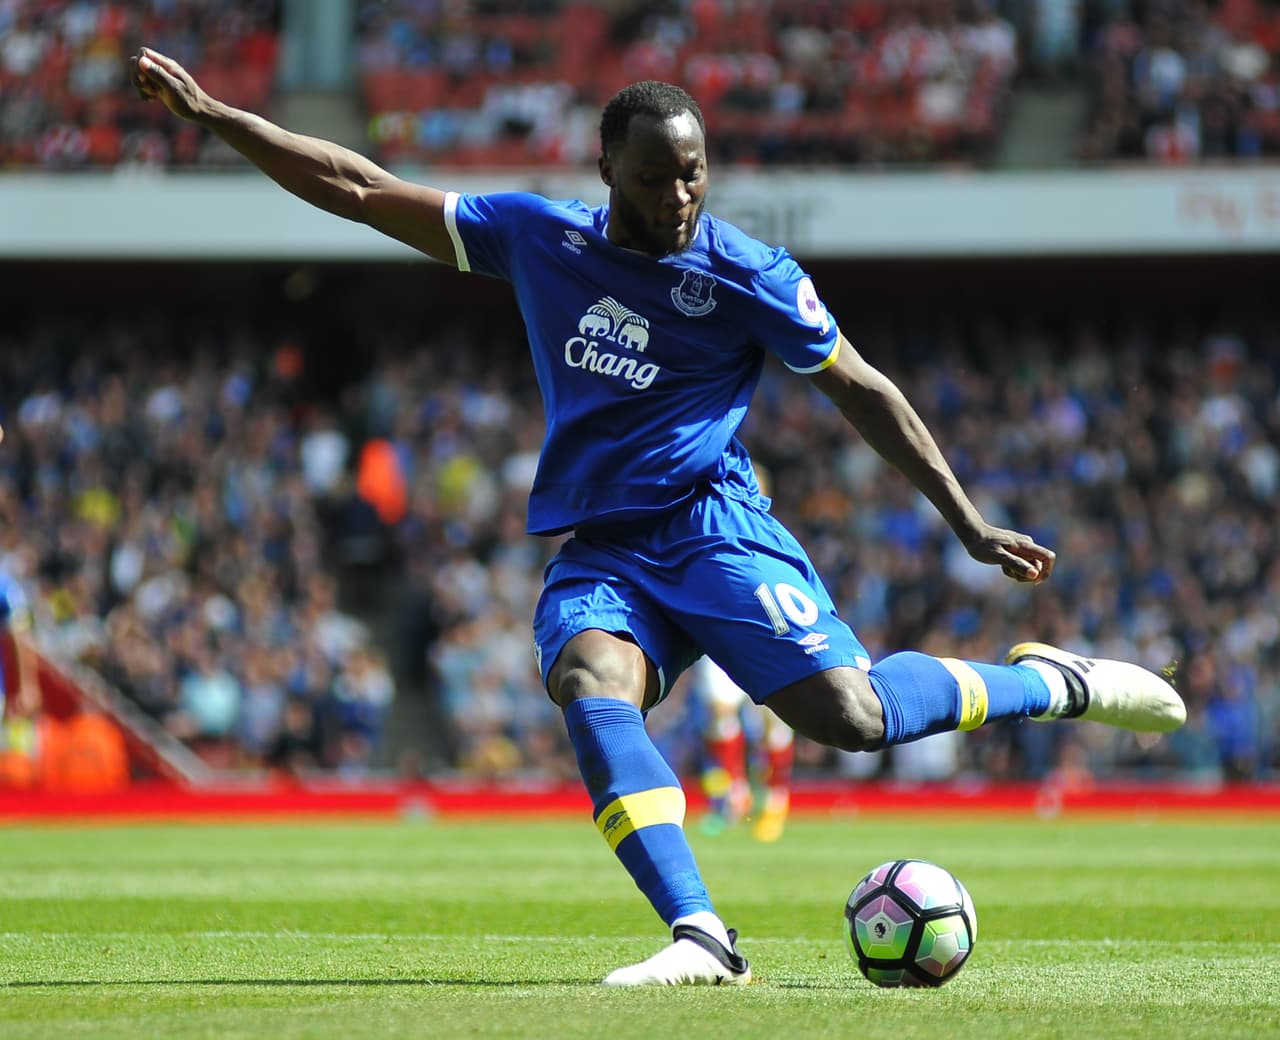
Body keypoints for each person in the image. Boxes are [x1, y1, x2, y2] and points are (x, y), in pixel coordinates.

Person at [128, 49, 1186, 987]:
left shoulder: (745, 273)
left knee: (852, 721)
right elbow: (359, 186)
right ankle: (700, 934)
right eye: (654, 175)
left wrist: (963, 521)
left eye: (692, 171)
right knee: (591, 684)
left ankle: (1051, 680)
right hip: (607, 547)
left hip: (716, 527)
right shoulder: (536, 238)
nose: (679, 194)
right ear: (606, 173)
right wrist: (218, 117)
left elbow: (859, 385)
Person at [690, 653, 794, 843]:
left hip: (765, 636)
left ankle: (774, 801)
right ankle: (734, 795)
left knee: (773, 720)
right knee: (720, 713)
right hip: (714, 634)